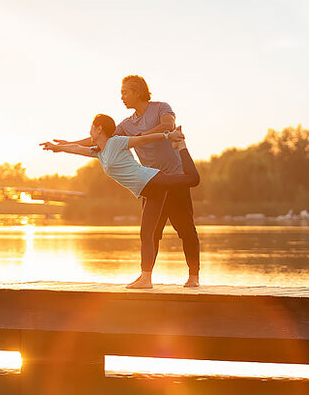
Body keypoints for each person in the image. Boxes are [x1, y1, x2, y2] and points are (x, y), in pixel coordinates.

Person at [48, 75, 201, 288]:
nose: (121, 97)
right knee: (152, 233)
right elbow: (101, 140)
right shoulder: (126, 125)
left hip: (172, 173)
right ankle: (146, 277)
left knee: (184, 228)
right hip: (150, 180)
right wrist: (67, 144)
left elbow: (168, 126)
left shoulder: (160, 108)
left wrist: (141, 137)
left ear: (137, 91)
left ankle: (193, 276)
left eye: (124, 92)